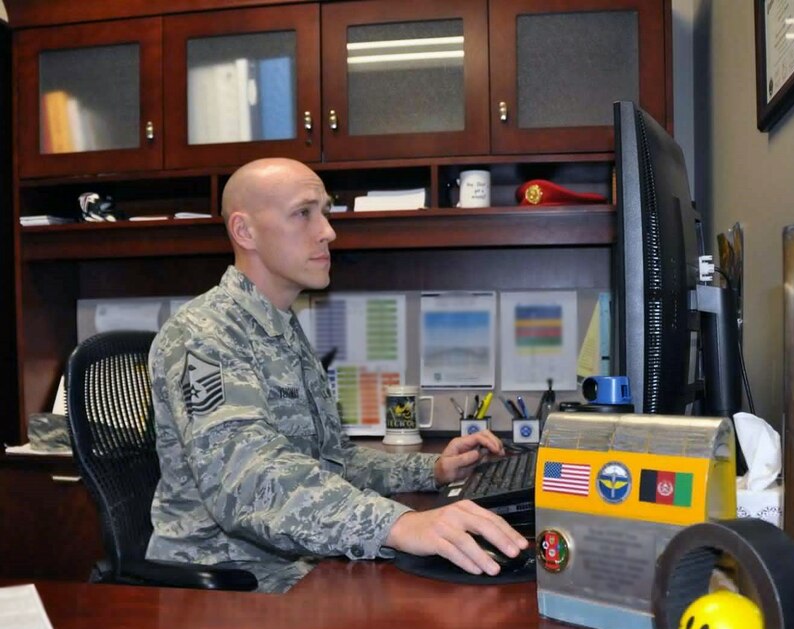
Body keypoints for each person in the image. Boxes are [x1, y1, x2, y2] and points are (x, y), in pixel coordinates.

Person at [147, 157, 527, 593]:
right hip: (230, 588)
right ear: (245, 231)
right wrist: (397, 524)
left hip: (299, 564)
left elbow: (335, 461)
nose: (327, 231)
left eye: (324, 212)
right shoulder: (202, 335)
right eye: (303, 213)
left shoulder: (282, 329)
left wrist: (433, 471)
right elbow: (248, 481)